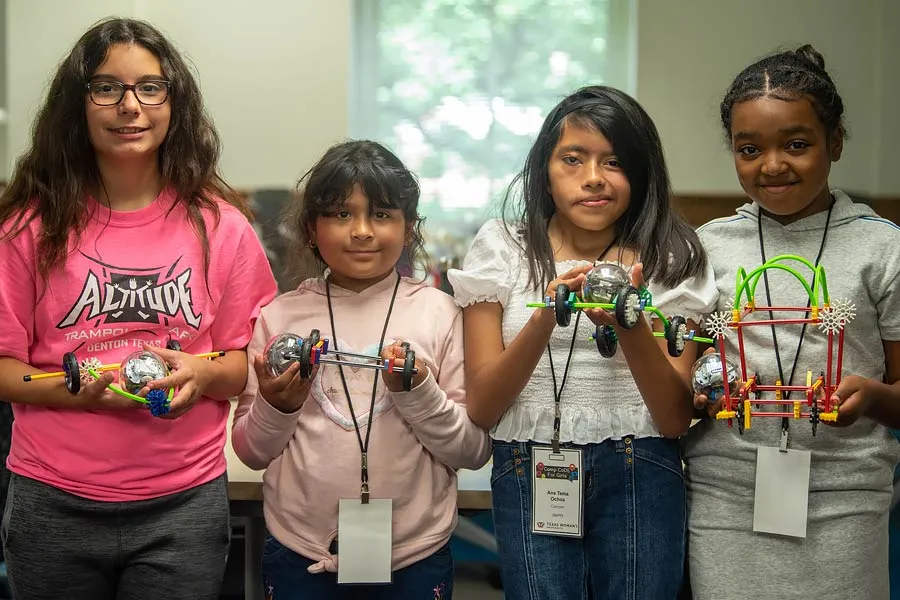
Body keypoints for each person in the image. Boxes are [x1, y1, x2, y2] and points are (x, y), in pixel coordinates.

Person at [0, 18, 277, 600]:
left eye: (150, 88)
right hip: (53, 499)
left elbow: (242, 362)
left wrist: (198, 373)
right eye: (107, 87)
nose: (131, 106)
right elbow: (3, 368)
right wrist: (73, 387)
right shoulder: (26, 229)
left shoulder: (222, 228)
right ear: (77, 104)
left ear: (174, 102)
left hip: (181, 502)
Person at [447, 85, 717, 599]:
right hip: (530, 462)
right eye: (572, 159)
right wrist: (548, 314)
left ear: (640, 175)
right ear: (544, 171)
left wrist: (628, 323)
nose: (593, 178)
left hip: (643, 464)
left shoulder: (673, 254)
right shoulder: (503, 247)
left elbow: (674, 417)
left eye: (614, 162)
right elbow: (482, 405)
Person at [231, 140, 491, 600]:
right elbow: (252, 451)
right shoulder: (279, 316)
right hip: (301, 553)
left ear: (409, 228)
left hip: (415, 554)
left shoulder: (441, 313)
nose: (363, 231)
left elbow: (472, 451)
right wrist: (278, 405)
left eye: (382, 215)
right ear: (311, 229)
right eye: (341, 214)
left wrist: (419, 394)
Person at [685, 44, 900, 600]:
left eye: (797, 144)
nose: (773, 164)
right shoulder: (709, 247)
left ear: (837, 141)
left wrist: (873, 398)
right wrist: (700, 386)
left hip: (843, 498)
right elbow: (688, 362)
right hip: (726, 494)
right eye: (749, 148)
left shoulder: (882, 248)